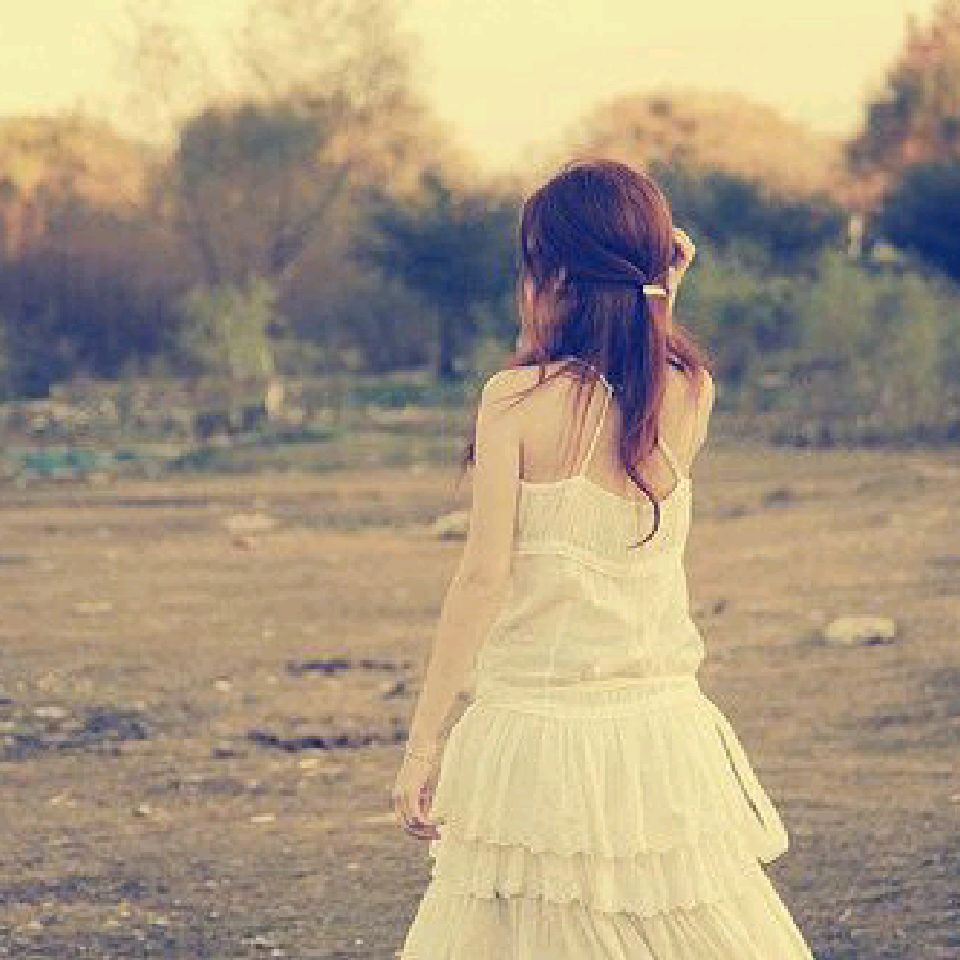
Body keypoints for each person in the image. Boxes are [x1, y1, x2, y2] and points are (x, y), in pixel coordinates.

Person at [391, 157, 817, 958]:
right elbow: (638, 371)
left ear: (552, 275)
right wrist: (662, 287)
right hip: (657, 731)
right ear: (648, 274)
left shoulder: (512, 401)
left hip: (534, 734)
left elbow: (482, 577)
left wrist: (422, 746)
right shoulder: (689, 393)